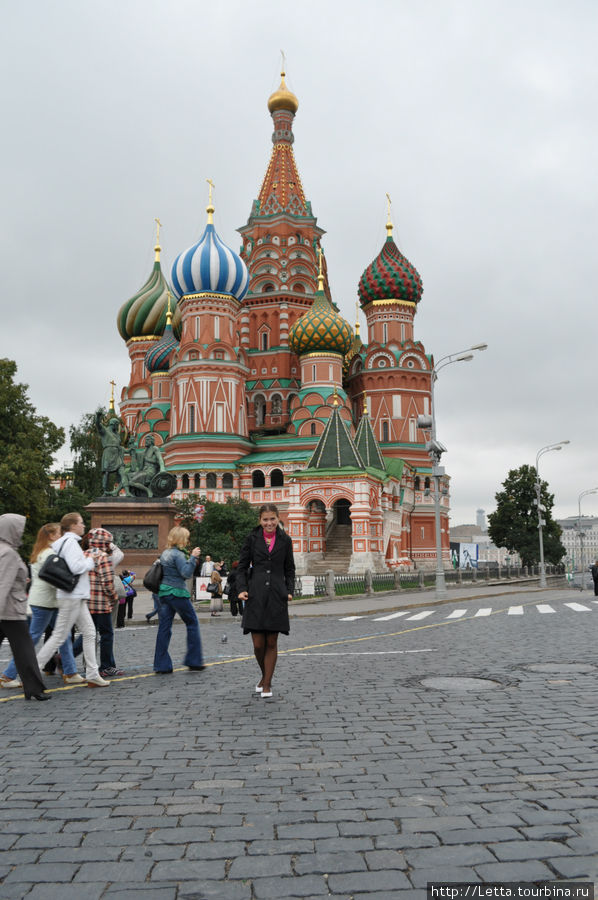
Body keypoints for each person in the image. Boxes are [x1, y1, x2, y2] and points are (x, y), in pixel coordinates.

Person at [1, 523, 83, 688]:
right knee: (32, 639)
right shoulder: (49, 553)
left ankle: (70, 671)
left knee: (63, 636)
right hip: (45, 602)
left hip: (45, 601)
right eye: (59, 533)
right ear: (51, 536)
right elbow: (55, 577)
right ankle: (8, 675)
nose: (62, 536)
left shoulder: (40, 552)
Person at [36, 512, 109, 688]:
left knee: (89, 632)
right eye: (81, 523)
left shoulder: (62, 543)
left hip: (74, 595)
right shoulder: (71, 543)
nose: (84, 526)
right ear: (73, 525)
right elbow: (76, 567)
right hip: (72, 595)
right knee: (59, 636)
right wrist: (91, 561)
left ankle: (93, 673)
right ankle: (31, 670)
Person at [237, 504, 295, 699]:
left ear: (278, 519)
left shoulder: (285, 540)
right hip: (256, 594)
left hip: (277, 594)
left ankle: (267, 683)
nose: (269, 523)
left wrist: (289, 590)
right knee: (258, 644)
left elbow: (290, 569)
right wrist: (242, 589)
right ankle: (264, 675)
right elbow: (242, 566)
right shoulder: (251, 539)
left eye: (272, 519)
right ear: (260, 520)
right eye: (265, 519)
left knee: (272, 641)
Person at [0, 514, 49, 700]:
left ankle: (34, 688)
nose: (21, 532)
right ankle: (34, 689)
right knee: (24, 650)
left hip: (7, 608)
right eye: (19, 529)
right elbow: (3, 584)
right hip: (10, 610)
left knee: (24, 649)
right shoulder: (9, 553)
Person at [153, 527, 205, 674]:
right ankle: (194, 660)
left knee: (164, 627)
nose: (187, 541)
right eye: (186, 538)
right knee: (192, 622)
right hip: (177, 592)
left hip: (164, 592)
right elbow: (186, 573)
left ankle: (161, 665)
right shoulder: (178, 554)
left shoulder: (165, 553)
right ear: (181, 539)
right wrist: (193, 557)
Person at [72, 529, 123, 678]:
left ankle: (66, 656)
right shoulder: (103, 557)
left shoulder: (83, 555)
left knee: (89, 633)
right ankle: (106, 666)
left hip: (86, 601)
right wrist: (114, 596)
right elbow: (107, 582)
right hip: (101, 603)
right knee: (106, 633)